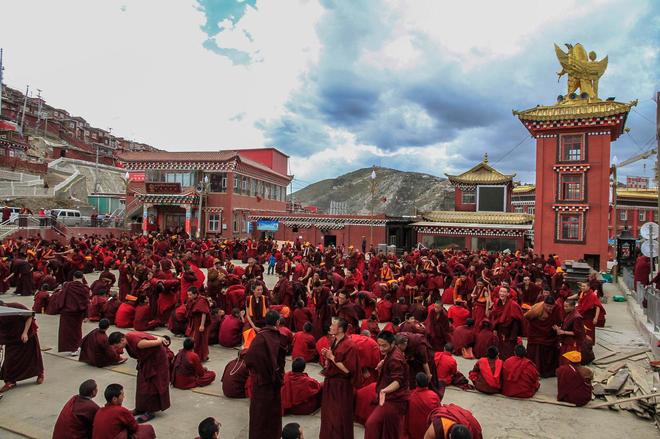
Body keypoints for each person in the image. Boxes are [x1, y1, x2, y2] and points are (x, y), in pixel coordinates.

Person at [245, 310, 287, 439]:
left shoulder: (260, 337)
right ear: (278, 322)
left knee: (260, 413)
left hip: (262, 381)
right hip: (272, 380)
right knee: (271, 412)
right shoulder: (279, 336)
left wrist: (259, 372)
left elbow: (249, 359)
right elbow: (281, 358)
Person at [364, 330, 410, 439]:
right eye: (379, 345)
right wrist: (383, 361)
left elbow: (397, 382)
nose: (381, 349)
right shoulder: (393, 351)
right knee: (386, 427)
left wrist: (384, 391)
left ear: (393, 343)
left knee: (371, 424)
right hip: (389, 396)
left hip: (394, 399)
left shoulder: (395, 359)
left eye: (384, 346)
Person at [320, 317, 360, 439]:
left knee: (339, 415)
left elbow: (348, 370)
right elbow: (332, 360)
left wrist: (332, 358)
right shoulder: (333, 340)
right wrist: (327, 356)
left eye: (333, 325)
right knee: (328, 413)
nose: (330, 327)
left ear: (341, 329)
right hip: (330, 382)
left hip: (341, 385)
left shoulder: (350, 346)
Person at [121, 331, 171, 422]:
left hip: (156, 362)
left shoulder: (139, 343)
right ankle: (140, 408)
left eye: (117, 346)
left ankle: (150, 411)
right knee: (142, 384)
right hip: (147, 361)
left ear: (122, 340)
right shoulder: (128, 336)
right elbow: (148, 336)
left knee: (152, 386)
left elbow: (158, 342)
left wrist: (161, 338)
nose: (118, 349)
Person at [0, 301, 44, 392]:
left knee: (33, 356)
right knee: (10, 359)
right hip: (11, 338)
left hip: (26, 334)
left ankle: (40, 374)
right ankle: (11, 381)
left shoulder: (16, 306)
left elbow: (29, 316)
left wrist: (25, 333)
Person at [525, 296, 561, 377]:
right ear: (544, 304)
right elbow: (527, 317)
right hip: (536, 334)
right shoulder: (537, 308)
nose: (549, 308)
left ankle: (548, 371)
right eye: (547, 306)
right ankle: (535, 370)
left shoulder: (557, 308)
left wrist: (556, 327)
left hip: (550, 335)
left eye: (551, 307)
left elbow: (558, 321)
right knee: (536, 351)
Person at [58, 271, 91, 355]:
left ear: (73, 277)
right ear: (82, 277)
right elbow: (87, 302)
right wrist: (87, 315)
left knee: (66, 331)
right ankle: (75, 348)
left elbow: (61, 296)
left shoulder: (67, 285)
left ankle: (69, 348)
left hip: (66, 311)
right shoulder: (84, 288)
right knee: (76, 331)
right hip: (78, 313)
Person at [489, 286, 523, 359]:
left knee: (509, 351)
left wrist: (513, 336)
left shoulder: (513, 304)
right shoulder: (498, 303)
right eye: (501, 291)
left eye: (504, 292)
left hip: (510, 332)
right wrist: (495, 328)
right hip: (500, 330)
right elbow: (495, 316)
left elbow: (517, 321)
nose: (502, 293)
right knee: (501, 349)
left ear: (508, 294)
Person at [406, 372, 441, 439]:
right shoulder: (434, 396)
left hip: (413, 432)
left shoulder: (410, 395)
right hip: (428, 432)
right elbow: (439, 413)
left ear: (416, 383)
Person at [186, 286, 211, 361]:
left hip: (200, 322)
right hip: (194, 322)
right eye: (188, 295)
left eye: (190, 295)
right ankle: (198, 355)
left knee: (201, 339)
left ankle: (201, 356)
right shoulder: (192, 300)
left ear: (195, 294)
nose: (189, 296)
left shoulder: (201, 300)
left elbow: (204, 312)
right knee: (195, 338)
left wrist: (202, 325)